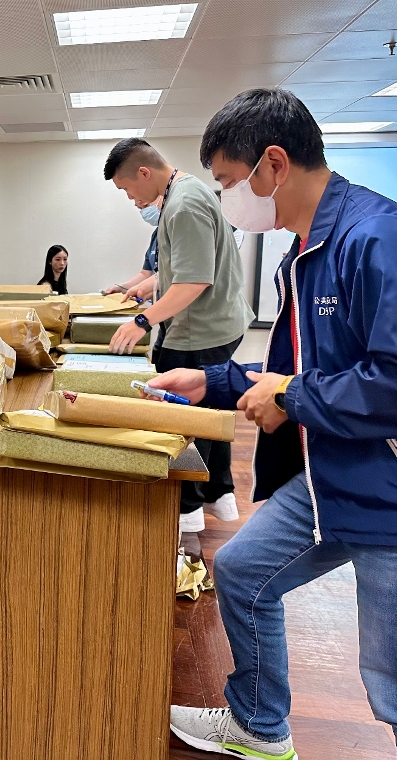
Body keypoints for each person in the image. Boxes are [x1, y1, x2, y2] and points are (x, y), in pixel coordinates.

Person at [155, 88, 397, 760]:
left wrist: (292, 396)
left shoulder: (377, 240)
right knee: (242, 572)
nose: (228, 200)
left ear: (274, 164)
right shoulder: (308, 249)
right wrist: (211, 382)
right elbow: (299, 371)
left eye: (229, 183)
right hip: (338, 475)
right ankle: (259, 726)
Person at [104, 138, 254, 534]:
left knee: (184, 419)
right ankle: (216, 494)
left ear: (144, 173)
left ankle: (185, 513)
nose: (130, 198)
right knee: (209, 414)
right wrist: (146, 286)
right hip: (212, 326)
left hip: (200, 331)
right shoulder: (182, 194)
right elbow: (181, 269)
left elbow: (193, 281)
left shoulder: (184, 204)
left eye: (127, 188)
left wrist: (141, 322)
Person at [103, 196, 161, 302]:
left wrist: (141, 288)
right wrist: (122, 288)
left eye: (146, 205)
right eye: (141, 208)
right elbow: (145, 274)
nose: (137, 203)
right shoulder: (156, 235)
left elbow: (172, 275)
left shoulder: (179, 232)